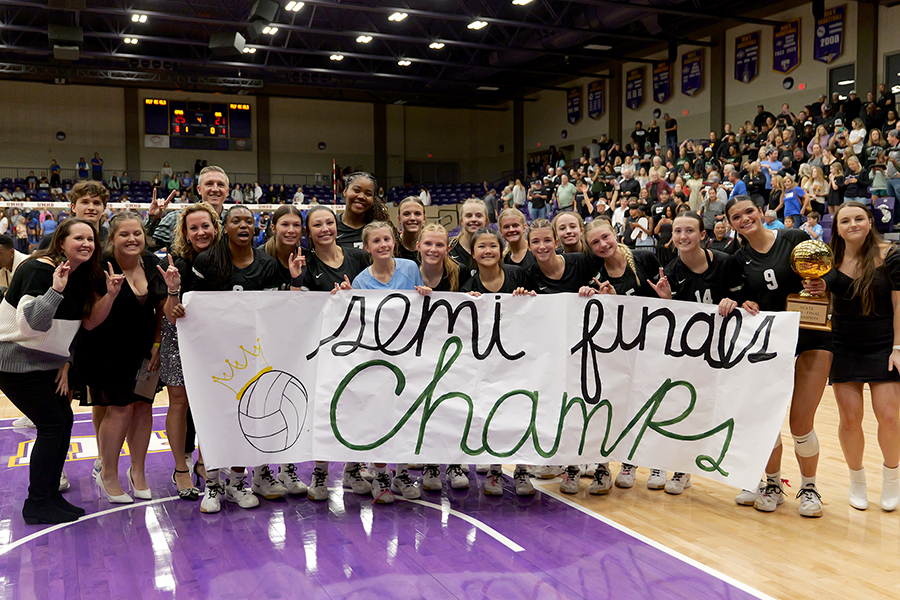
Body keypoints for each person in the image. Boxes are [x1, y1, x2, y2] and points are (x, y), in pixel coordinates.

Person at [720, 196, 832, 518]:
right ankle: (772, 484)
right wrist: (742, 305)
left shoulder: (793, 238)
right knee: (765, 421)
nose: (744, 219)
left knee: (800, 424)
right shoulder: (736, 259)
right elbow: (740, 301)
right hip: (770, 345)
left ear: (762, 213)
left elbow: (828, 274)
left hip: (812, 338)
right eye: (736, 216)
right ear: (730, 223)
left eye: (749, 212)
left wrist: (822, 284)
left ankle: (809, 488)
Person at [0, 219, 113, 524]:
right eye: (79, 238)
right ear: (61, 242)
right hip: (15, 362)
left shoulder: (80, 275)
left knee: (64, 420)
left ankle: (49, 496)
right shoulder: (40, 270)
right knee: (51, 425)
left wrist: (66, 361)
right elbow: (30, 325)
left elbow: (84, 324)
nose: (87, 243)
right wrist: (54, 290)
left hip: (46, 363)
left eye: (91, 239)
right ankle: (36, 503)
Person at [190, 205, 286, 513]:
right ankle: (213, 484)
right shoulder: (206, 261)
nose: (243, 224)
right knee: (214, 417)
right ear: (225, 228)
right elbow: (191, 307)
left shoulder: (268, 264)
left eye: (249, 220)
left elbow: (277, 312)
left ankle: (237, 480)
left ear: (256, 227)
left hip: (253, 356)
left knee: (248, 417)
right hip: (214, 354)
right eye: (236, 220)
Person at [650, 211, 744, 493]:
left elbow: (749, 301)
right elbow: (673, 317)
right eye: (677, 231)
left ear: (703, 235)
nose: (682, 237)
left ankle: (751, 476)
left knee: (732, 411)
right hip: (691, 352)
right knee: (683, 409)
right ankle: (681, 468)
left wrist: (735, 301)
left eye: (689, 231)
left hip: (726, 351)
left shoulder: (727, 263)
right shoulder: (673, 270)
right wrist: (667, 300)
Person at [80, 212, 166, 505]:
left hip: (146, 352)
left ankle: (138, 473)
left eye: (137, 234)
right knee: (119, 410)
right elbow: (90, 322)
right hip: (107, 351)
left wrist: (157, 344)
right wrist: (112, 294)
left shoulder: (154, 263)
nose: (132, 239)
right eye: (124, 234)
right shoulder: (98, 269)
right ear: (112, 239)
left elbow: (161, 309)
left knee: (143, 408)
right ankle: (109, 474)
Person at [347, 221, 431, 504]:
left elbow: (423, 305)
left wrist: (424, 295)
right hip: (378, 358)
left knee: (406, 416)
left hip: (409, 355)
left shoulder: (409, 268)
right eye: (376, 241)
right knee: (379, 416)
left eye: (387, 239)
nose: (383, 245)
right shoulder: (361, 281)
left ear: (394, 241)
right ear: (367, 247)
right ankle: (381, 474)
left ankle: (401, 472)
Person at [295, 205, 372, 501]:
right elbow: (298, 307)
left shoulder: (358, 257)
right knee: (324, 411)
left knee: (358, 408)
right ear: (309, 231)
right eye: (318, 224)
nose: (325, 228)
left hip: (360, 346)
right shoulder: (306, 263)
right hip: (324, 348)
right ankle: (320, 472)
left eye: (330, 222)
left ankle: (352, 469)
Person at [828, 201, 900, 512]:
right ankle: (856, 481)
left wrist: (898, 348)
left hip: (884, 345)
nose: (853, 224)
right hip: (843, 345)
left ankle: (892, 480)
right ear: (838, 228)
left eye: (859, 218)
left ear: (870, 222)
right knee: (850, 418)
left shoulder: (891, 254)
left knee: (889, 418)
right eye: (846, 221)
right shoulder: (828, 260)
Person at [583, 218, 665, 490]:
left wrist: (667, 297)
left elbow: (670, 304)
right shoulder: (596, 274)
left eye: (605, 237)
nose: (603, 244)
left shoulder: (645, 259)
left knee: (653, 403)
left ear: (614, 233)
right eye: (595, 242)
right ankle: (628, 461)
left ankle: (659, 462)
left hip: (653, 345)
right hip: (619, 350)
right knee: (624, 405)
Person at [526, 218, 602, 494]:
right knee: (558, 407)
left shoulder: (581, 263)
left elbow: (607, 293)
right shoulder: (529, 274)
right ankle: (563, 462)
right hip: (554, 353)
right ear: (529, 246)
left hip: (588, 350)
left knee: (589, 405)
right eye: (536, 241)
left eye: (547, 240)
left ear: (557, 243)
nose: (542, 246)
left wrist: (593, 293)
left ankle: (597, 463)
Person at [153, 203, 222, 503]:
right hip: (178, 341)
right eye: (193, 228)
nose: (200, 232)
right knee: (179, 403)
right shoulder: (175, 264)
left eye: (205, 226)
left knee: (211, 404)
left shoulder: (226, 262)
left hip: (216, 341)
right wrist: (172, 294)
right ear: (185, 232)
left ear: (216, 228)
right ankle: (181, 467)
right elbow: (169, 315)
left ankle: (206, 462)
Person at [460, 228, 535, 496]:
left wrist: (528, 299)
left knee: (522, 411)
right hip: (486, 361)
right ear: (473, 252)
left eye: (493, 246)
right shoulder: (467, 286)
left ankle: (523, 470)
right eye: (482, 247)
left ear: (501, 250)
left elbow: (539, 310)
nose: (488, 251)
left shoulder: (518, 275)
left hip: (518, 357)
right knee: (492, 413)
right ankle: (495, 469)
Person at [39, 181, 110, 251]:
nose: (91, 208)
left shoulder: (111, 241)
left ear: (103, 209)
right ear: (73, 207)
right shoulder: (51, 241)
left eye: (96, 203)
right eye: (85, 202)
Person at [336, 172, 392, 250]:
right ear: (345, 192)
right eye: (356, 190)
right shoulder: (331, 227)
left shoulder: (379, 229)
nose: (362, 197)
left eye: (368, 194)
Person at [449, 198, 489, 288]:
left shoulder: (493, 250)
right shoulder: (449, 248)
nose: (474, 219)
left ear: (486, 221)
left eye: (479, 216)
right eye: (469, 216)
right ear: (462, 221)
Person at [396, 197, 426, 262]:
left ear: (424, 219)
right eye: (406, 214)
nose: (412, 218)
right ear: (399, 219)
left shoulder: (431, 247)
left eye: (417, 214)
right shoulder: (391, 247)